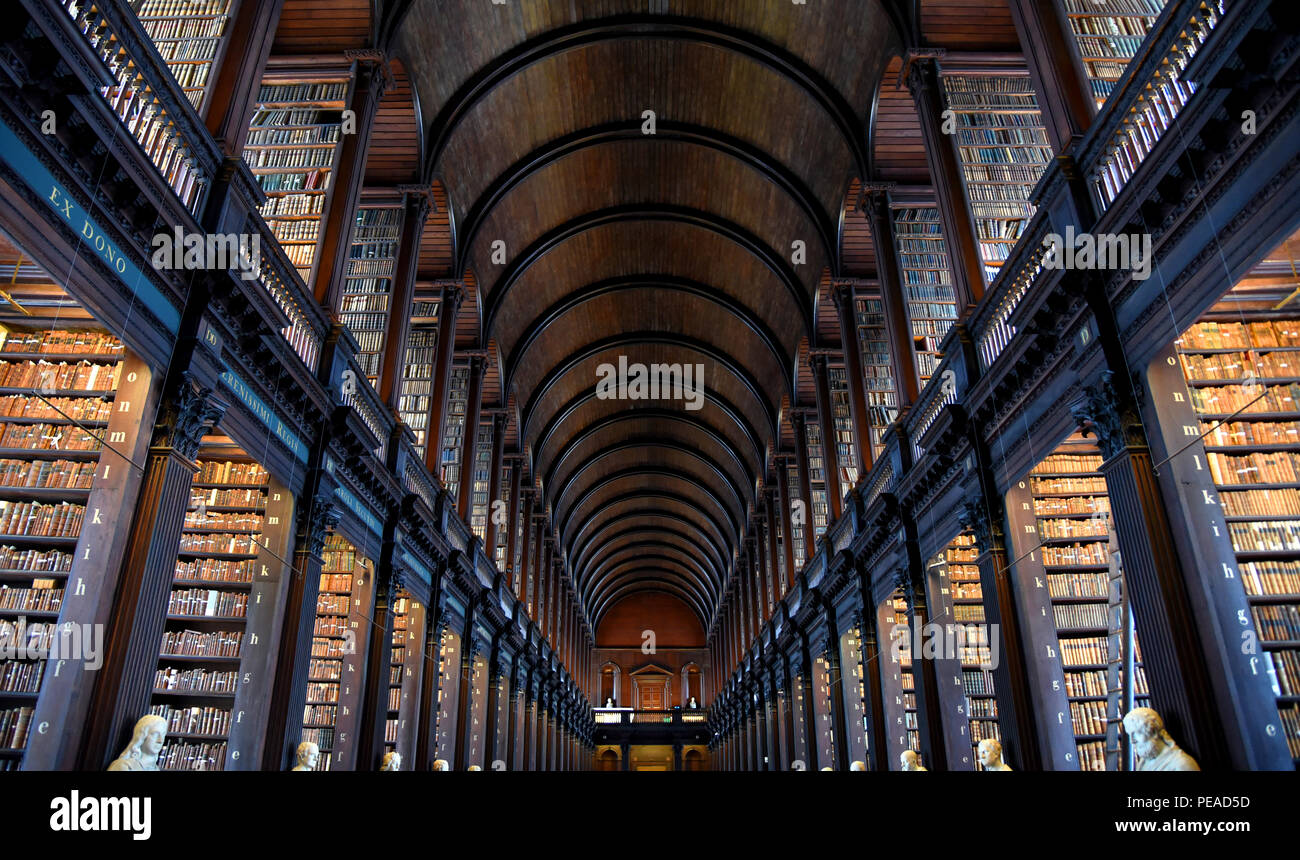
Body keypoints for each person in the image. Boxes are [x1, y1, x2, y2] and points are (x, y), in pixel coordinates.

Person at [1123, 707, 1199, 771]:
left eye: (1137, 733)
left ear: (1154, 732)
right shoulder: (1143, 763)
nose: (1132, 740)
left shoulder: (1181, 764)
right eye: (1130, 735)